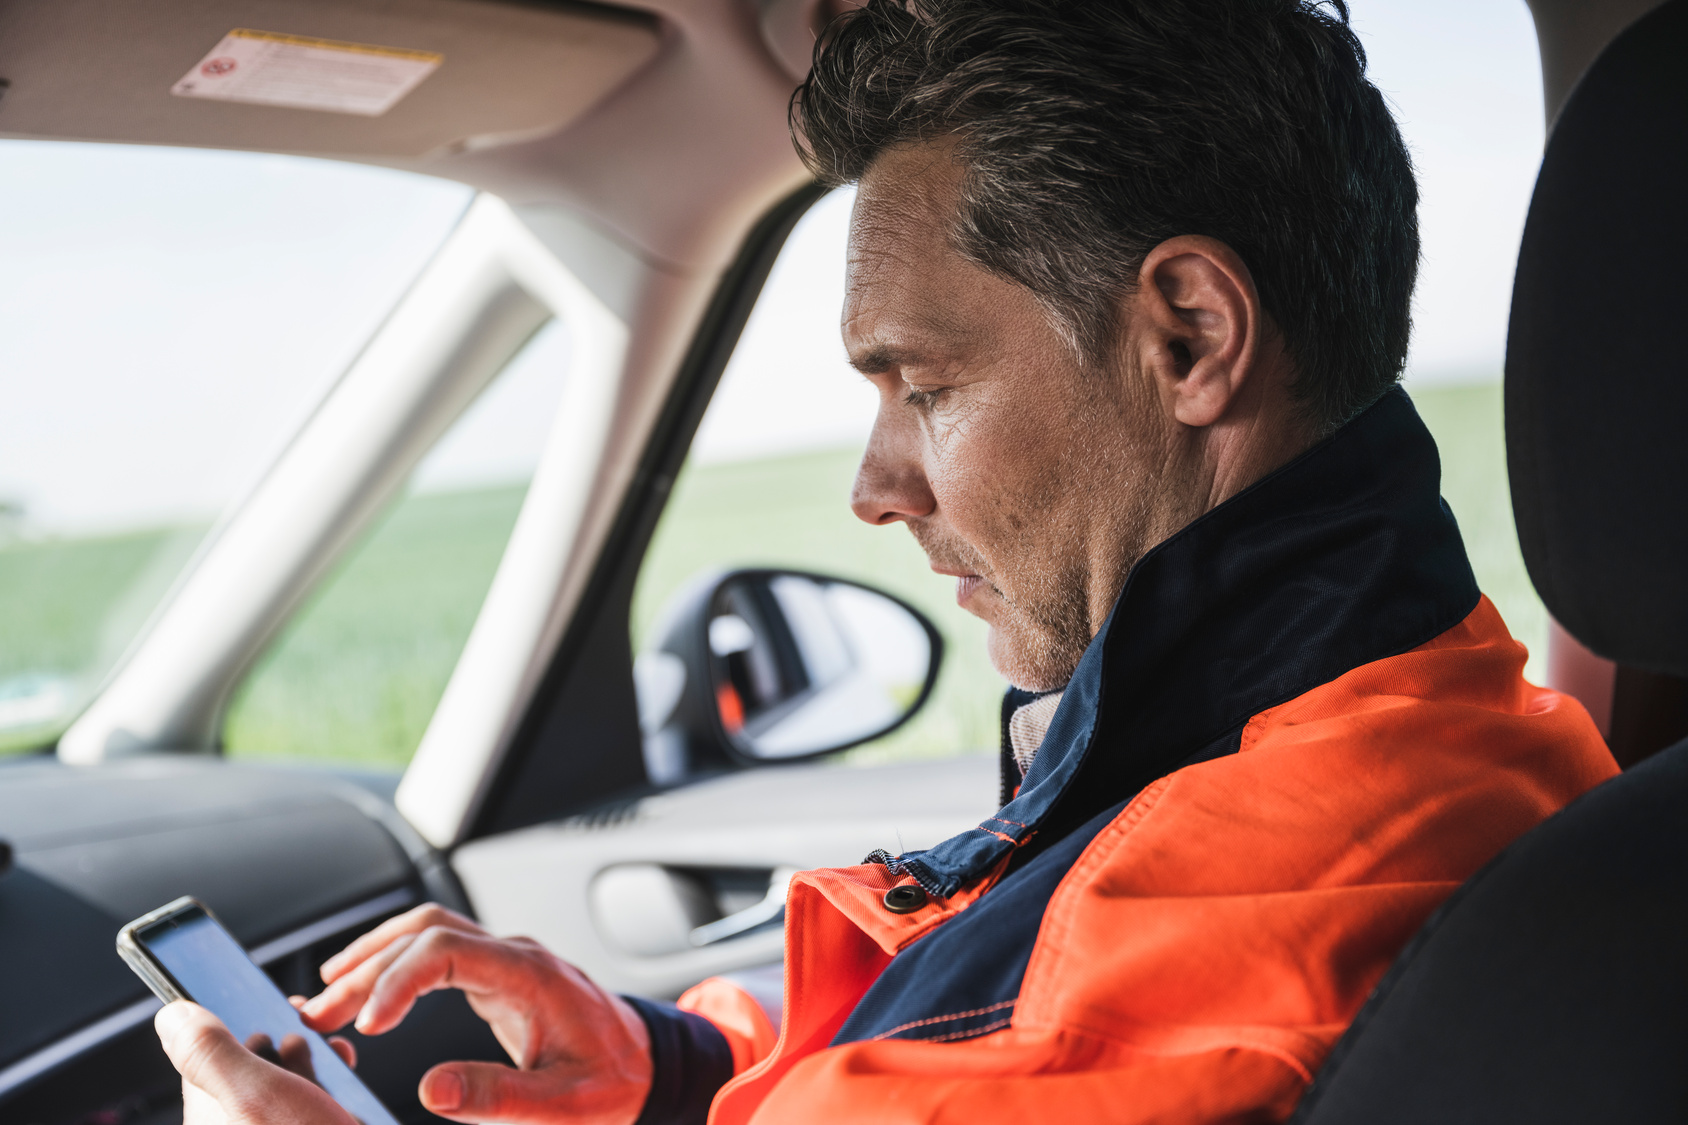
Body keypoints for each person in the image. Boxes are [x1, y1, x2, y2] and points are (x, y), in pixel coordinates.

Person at [153, 1, 1619, 1122]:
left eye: (923, 385)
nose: (874, 489)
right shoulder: (1467, 726)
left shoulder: (1174, 951)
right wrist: (671, 1069)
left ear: (1188, 336)